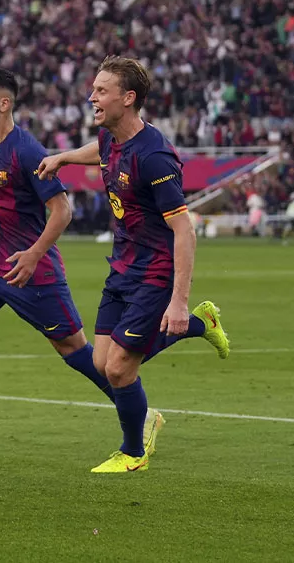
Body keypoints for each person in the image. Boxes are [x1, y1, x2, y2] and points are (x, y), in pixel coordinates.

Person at [37, 56, 230, 473]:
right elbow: (101, 152)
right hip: (123, 264)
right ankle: (201, 325)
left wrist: (178, 302)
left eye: (101, 91)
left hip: (155, 271)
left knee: (120, 369)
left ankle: (133, 453)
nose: (91, 97)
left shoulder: (155, 156)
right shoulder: (111, 138)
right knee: (101, 363)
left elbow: (185, 231)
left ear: (127, 98)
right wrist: (64, 158)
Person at [0, 68, 124, 453]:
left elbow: (62, 210)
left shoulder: (26, 150)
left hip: (31, 270)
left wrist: (34, 254)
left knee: (76, 352)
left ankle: (139, 414)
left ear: (4, 103)